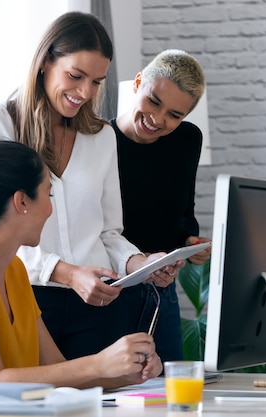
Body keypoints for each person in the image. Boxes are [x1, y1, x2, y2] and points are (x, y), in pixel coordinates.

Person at [0, 11, 182, 360]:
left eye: (97, 81)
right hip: (24, 299)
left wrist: (142, 264)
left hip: (99, 307)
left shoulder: (101, 137)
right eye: (75, 75)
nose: (85, 92)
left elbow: (108, 233)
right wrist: (65, 273)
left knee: (101, 409)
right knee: (34, 407)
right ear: (44, 62)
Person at [0, 137, 162, 395]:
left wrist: (127, 373)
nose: (50, 209)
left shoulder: (14, 270)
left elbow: (57, 370)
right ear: (22, 201)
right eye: (48, 194)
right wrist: (99, 363)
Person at [110, 49, 213, 362]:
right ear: (138, 82)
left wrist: (190, 243)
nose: (158, 119)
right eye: (154, 101)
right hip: (110, 290)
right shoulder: (99, 141)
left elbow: (183, 213)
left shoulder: (187, 140)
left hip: (161, 293)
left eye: (175, 115)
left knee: (169, 397)